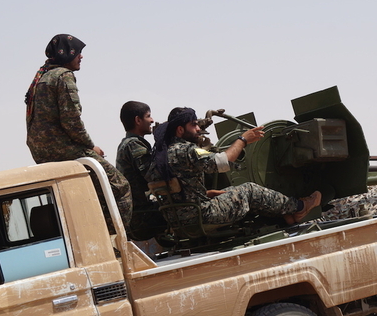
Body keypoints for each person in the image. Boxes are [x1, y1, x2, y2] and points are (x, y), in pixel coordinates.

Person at [145, 107, 321, 229]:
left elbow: (178, 190)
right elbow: (222, 162)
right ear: (179, 130)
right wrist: (243, 140)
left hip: (178, 220)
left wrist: (206, 193)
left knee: (229, 191)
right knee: (249, 190)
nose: (198, 129)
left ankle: (287, 214)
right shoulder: (187, 150)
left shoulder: (158, 157)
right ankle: (300, 207)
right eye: (193, 125)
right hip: (202, 215)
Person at [25, 34, 132, 228]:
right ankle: (112, 239)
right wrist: (91, 147)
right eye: (77, 52)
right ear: (66, 53)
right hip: (62, 148)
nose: (81, 57)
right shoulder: (63, 75)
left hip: (41, 153)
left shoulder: (42, 77)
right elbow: (71, 120)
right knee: (119, 186)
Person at [116, 101, 167, 241]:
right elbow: (156, 176)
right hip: (143, 216)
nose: (152, 120)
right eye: (148, 116)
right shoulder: (134, 144)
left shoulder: (127, 143)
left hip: (138, 214)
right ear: (138, 120)